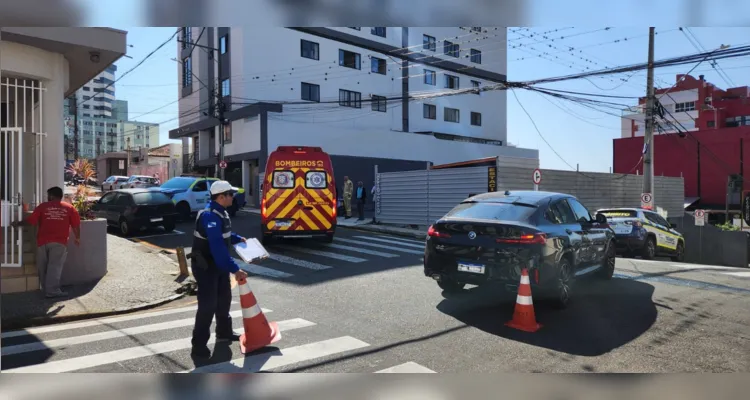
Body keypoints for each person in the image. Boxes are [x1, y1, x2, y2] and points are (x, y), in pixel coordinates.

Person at [190, 180, 250, 358]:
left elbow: (224, 235)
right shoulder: (209, 216)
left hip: (218, 265)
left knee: (224, 300)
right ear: (222, 196)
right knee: (207, 306)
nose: (234, 197)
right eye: (231, 194)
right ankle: (198, 346)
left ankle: (224, 333)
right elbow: (217, 247)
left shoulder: (221, 212)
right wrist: (236, 269)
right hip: (206, 267)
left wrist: (238, 238)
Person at [11, 186, 80, 298]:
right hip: (59, 242)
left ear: (52, 196)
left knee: (42, 266)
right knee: (55, 266)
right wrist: (77, 237)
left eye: (48, 195)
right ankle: (52, 291)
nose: (47, 197)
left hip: (43, 241)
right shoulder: (69, 208)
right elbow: (76, 225)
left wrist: (18, 223)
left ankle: (45, 288)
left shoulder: (43, 207)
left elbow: (31, 221)